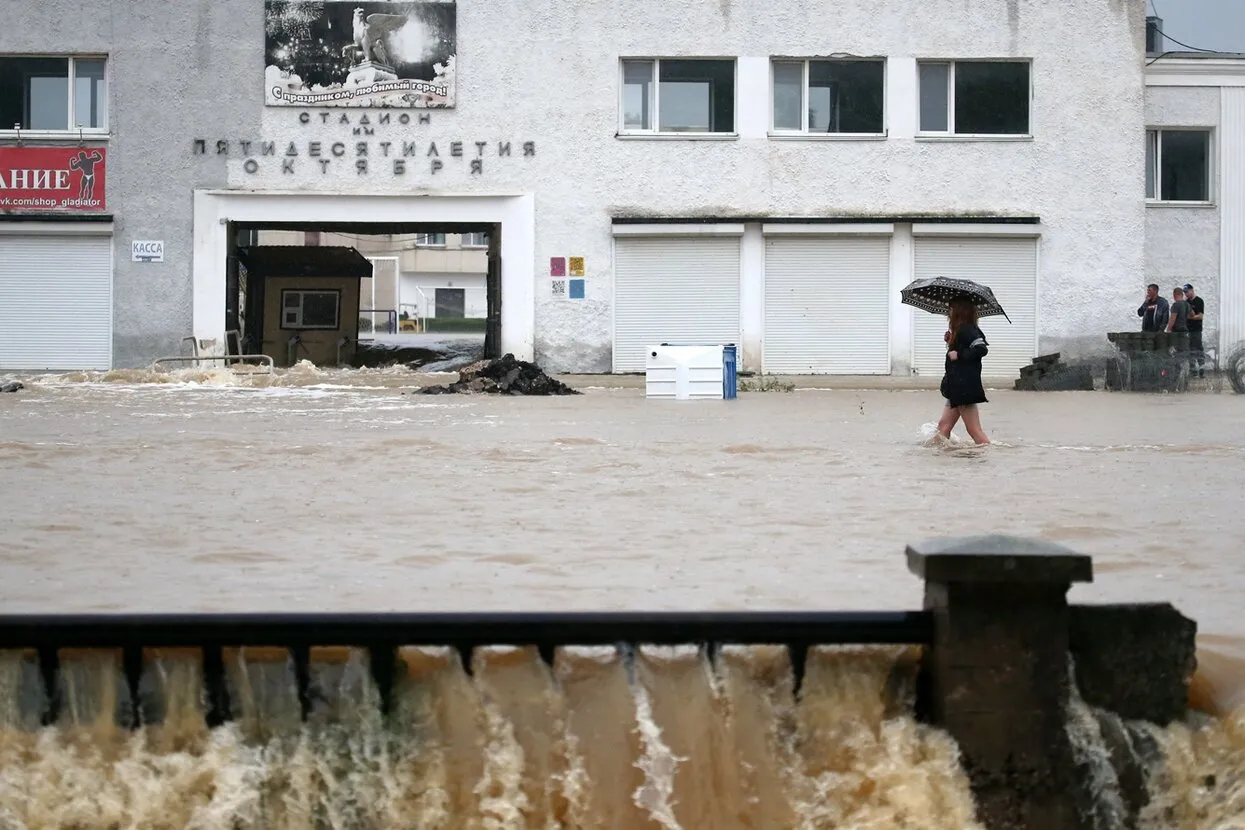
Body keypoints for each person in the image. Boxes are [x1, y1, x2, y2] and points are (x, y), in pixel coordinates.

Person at [936, 297, 991, 445]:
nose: (948, 311)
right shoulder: (960, 330)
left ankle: (988, 454)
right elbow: (964, 349)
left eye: (951, 308)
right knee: (943, 427)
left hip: (964, 387)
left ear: (960, 311)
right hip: (956, 386)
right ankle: (937, 454)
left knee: (974, 430)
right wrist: (951, 341)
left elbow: (981, 349)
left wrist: (959, 354)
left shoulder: (969, 329)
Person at [1184, 283, 1206, 376]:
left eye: (1187, 292)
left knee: (1198, 348)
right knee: (1190, 349)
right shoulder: (1186, 302)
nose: (1186, 294)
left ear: (1192, 290)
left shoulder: (1199, 301)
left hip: (1196, 329)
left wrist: (1191, 317)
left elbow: (1200, 316)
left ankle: (1201, 368)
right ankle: (1193, 370)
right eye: (1185, 292)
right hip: (1188, 329)